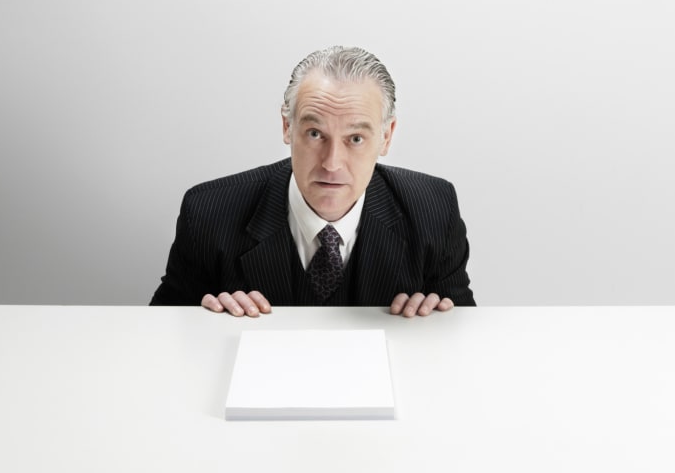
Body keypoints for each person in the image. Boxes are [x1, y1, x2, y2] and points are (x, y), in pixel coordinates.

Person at [150, 46, 474, 317]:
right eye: (315, 133)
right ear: (287, 127)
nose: (331, 163)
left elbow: (463, 333)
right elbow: (164, 334)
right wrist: (203, 319)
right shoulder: (208, 213)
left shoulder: (434, 210)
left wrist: (438, 320)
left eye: (356, 138)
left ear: (386, 137)